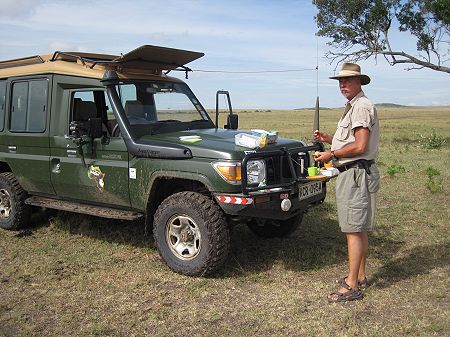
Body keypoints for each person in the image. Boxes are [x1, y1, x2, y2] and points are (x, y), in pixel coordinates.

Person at [313, 63, 380, 302]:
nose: (343, 85)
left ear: (359, 81)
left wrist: (331, 154)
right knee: (358, 229)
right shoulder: (354, 106)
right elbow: (352, 141)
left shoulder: (361, 106)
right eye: (340, 81)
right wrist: (330, 139)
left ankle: (351, 285)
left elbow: (361, 146)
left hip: (354, 175)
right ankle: (360, 275)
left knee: (353, 230)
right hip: (354, 173)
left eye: (348, 80)